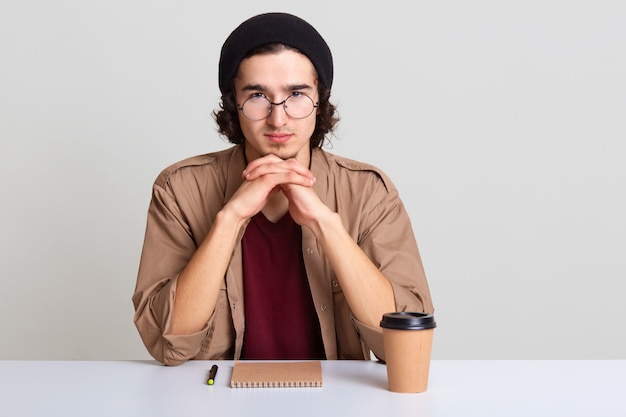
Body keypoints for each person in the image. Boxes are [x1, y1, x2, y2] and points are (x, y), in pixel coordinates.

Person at [132, 12, 434, 366]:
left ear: (320, 99)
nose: (278, 118)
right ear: (234, 103)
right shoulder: (180, 189)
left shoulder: (368, 191)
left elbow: (406, 346)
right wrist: (230, 218)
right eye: (258, 95)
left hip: (337, 400)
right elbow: (168, 345)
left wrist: (326, 223)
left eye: (297, 94)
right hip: (218, 400)